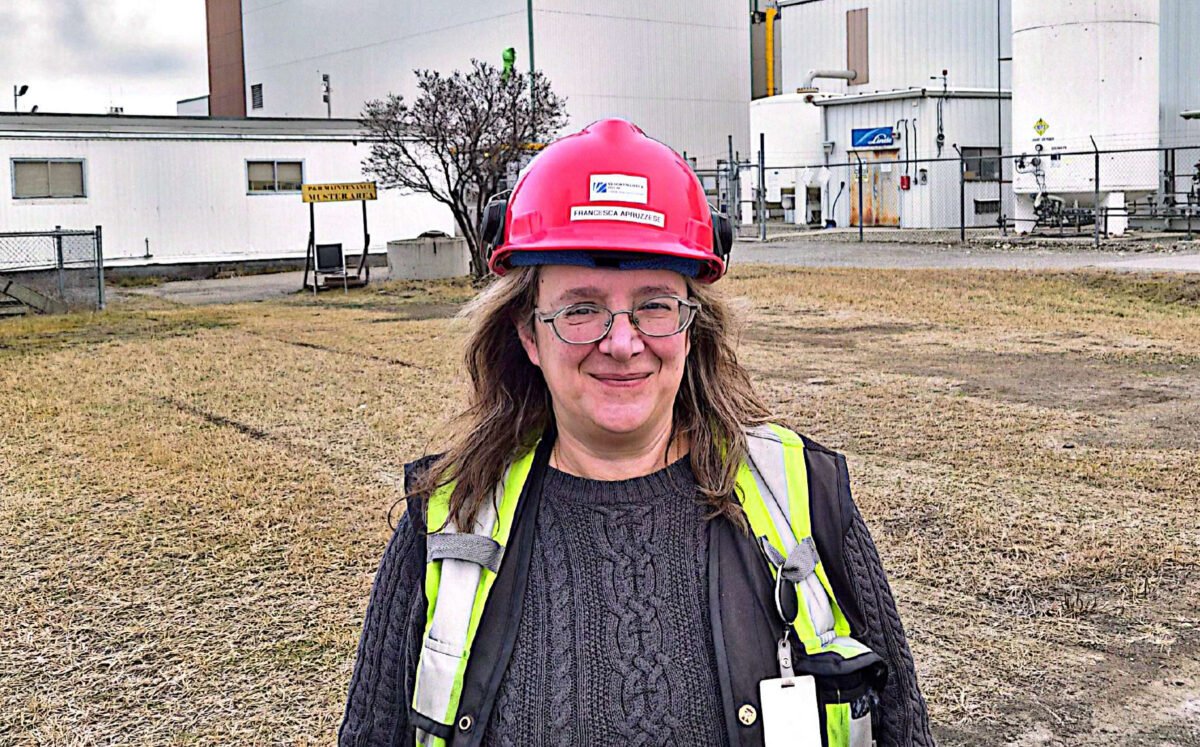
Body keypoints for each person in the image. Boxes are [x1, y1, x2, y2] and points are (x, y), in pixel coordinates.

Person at [339, 118, 933, 747]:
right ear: (526, 333)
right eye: (581, 308)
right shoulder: (448, 521)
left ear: (691, 325)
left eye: (653, 304)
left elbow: (902, 727)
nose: (622, 343)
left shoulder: (804, 498)